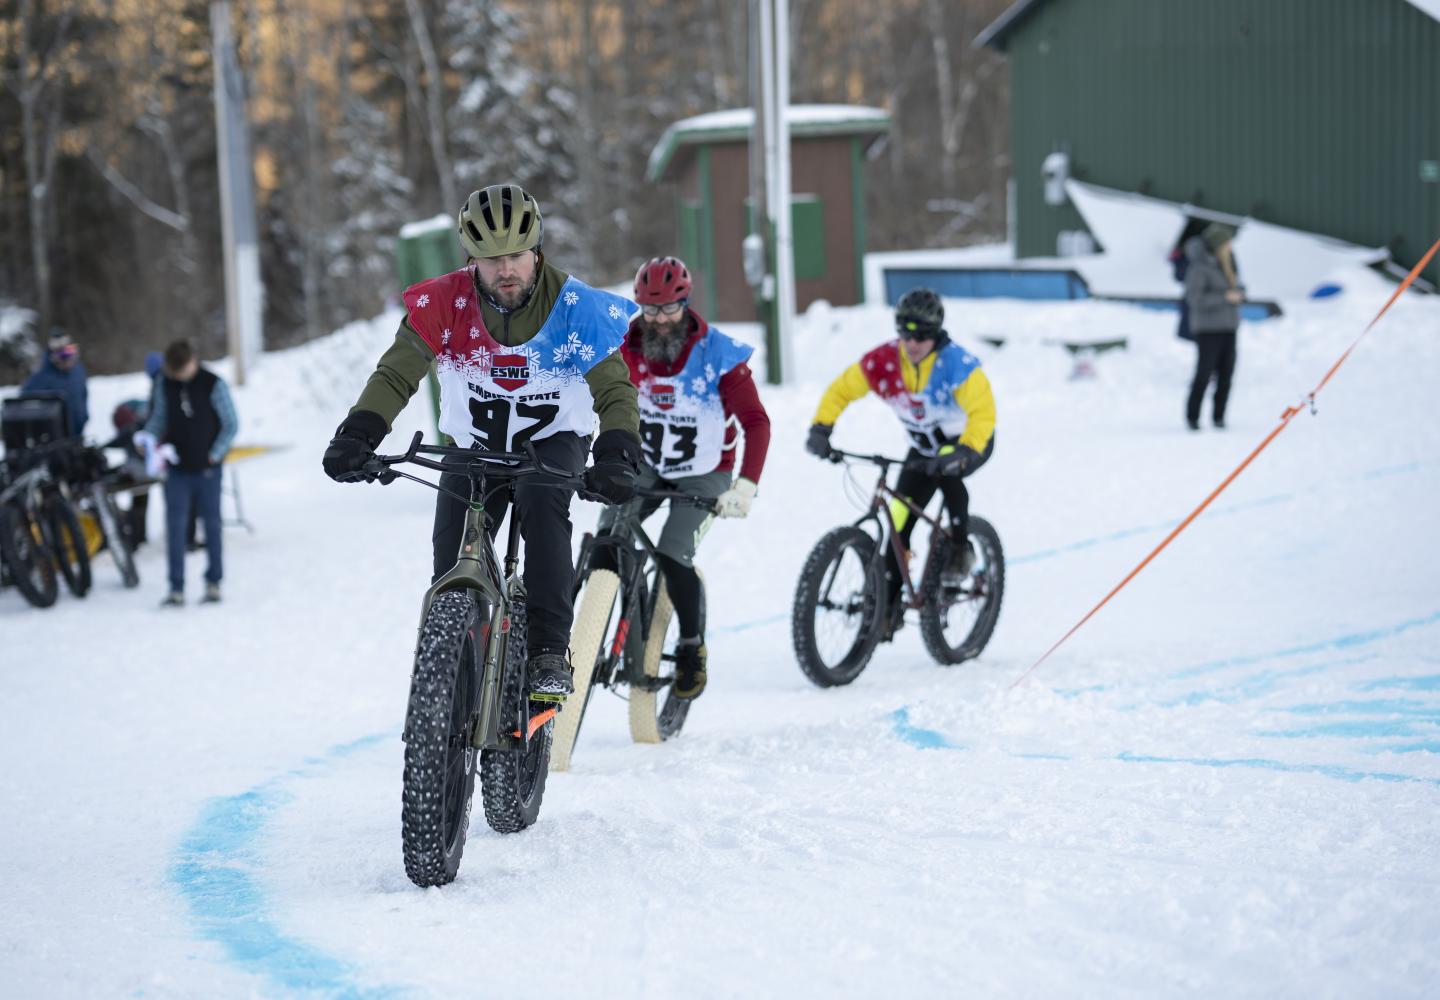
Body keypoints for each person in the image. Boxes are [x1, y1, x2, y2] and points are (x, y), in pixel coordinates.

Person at [322, 184, 641, 701]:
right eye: (491, 260)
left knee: (542, 505)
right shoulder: (445, 302)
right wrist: (359, 433)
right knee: (453, 545)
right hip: (475, 443)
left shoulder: (574, 307)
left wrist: (617, 451)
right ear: (471, 258)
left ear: (536, 250)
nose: (506, 270)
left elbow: (614, 389)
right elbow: (397, 373)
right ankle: (453, 665)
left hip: (552, 440)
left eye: (516, 255)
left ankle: (547, 650)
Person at [595, 256, 771, 700]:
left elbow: (755, 422)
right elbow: (595, 398)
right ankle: (592, 624)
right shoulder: (626, 347)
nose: (659, 321)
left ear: (687, 305)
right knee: (607, 539)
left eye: (669, 310)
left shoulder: (720, 355)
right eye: (650, 311)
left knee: (674, 554)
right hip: (648, 462)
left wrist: (746, 484)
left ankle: (692, 648)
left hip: (706, 472)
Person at [805, 288, 996, 639]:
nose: (912, 343)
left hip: (968, 442)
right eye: (905, 334)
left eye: (921, 335)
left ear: (936, 332)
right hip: (922, 449)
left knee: (947, 474)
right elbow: (842, 389)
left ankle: (958, 545)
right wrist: (822, 426)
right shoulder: (886, 362)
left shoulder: (956, 365)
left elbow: (982, 413)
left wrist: (966, 450)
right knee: (898, 521)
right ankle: (887, 608)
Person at [143, 339, 239, 606]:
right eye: (174, 372)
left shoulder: (213, 384)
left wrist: (215, 453)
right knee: (175, 527)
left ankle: (213, 582)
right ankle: (176, 587)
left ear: (193, 361)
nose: (178, 376)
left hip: (208, 468)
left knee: (212, 524)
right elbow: (159, 417)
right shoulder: (164, 382)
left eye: (182, 370)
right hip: (176, 469)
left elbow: (231, 424)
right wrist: (148, 438)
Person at [1183, 222, 1244, 431]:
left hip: (1229, 326)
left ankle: (1219, 417)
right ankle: (1193, 417)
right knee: (1204, 373)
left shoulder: (1229, 264)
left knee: (1226, 374)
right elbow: (1195, 299)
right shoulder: (1199, 268)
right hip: (1208, 329)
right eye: (1226, 244)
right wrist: (1225, 297)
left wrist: (1239, 294)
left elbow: (1237, 288)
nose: (1230, 247)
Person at [22, 331, 88, 437]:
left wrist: (84, 417)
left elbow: (83, 396)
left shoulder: (78, 371)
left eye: (71, 352)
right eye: (63, 355)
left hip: (77, 437)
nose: (68, 359)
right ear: (53, 357)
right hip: (53, 441)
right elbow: (23, 408)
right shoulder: (40, 378)